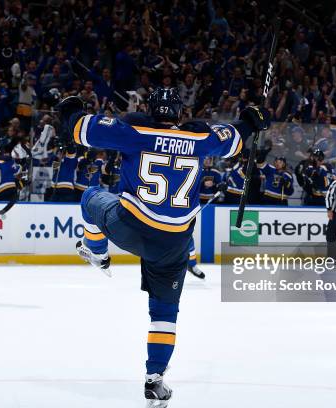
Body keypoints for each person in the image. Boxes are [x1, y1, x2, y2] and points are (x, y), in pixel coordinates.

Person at [58, 87, 267, 407]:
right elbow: (236, 138)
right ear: (180, 113)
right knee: (164, 314)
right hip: (174, 243)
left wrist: (71, 109)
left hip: (131, 227)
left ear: (151, 109)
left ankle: (97, 251)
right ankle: (154, 379)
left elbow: (79, 129)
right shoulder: (202, 139)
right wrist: (252, 120)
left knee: (90, 197)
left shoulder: (135, 132)